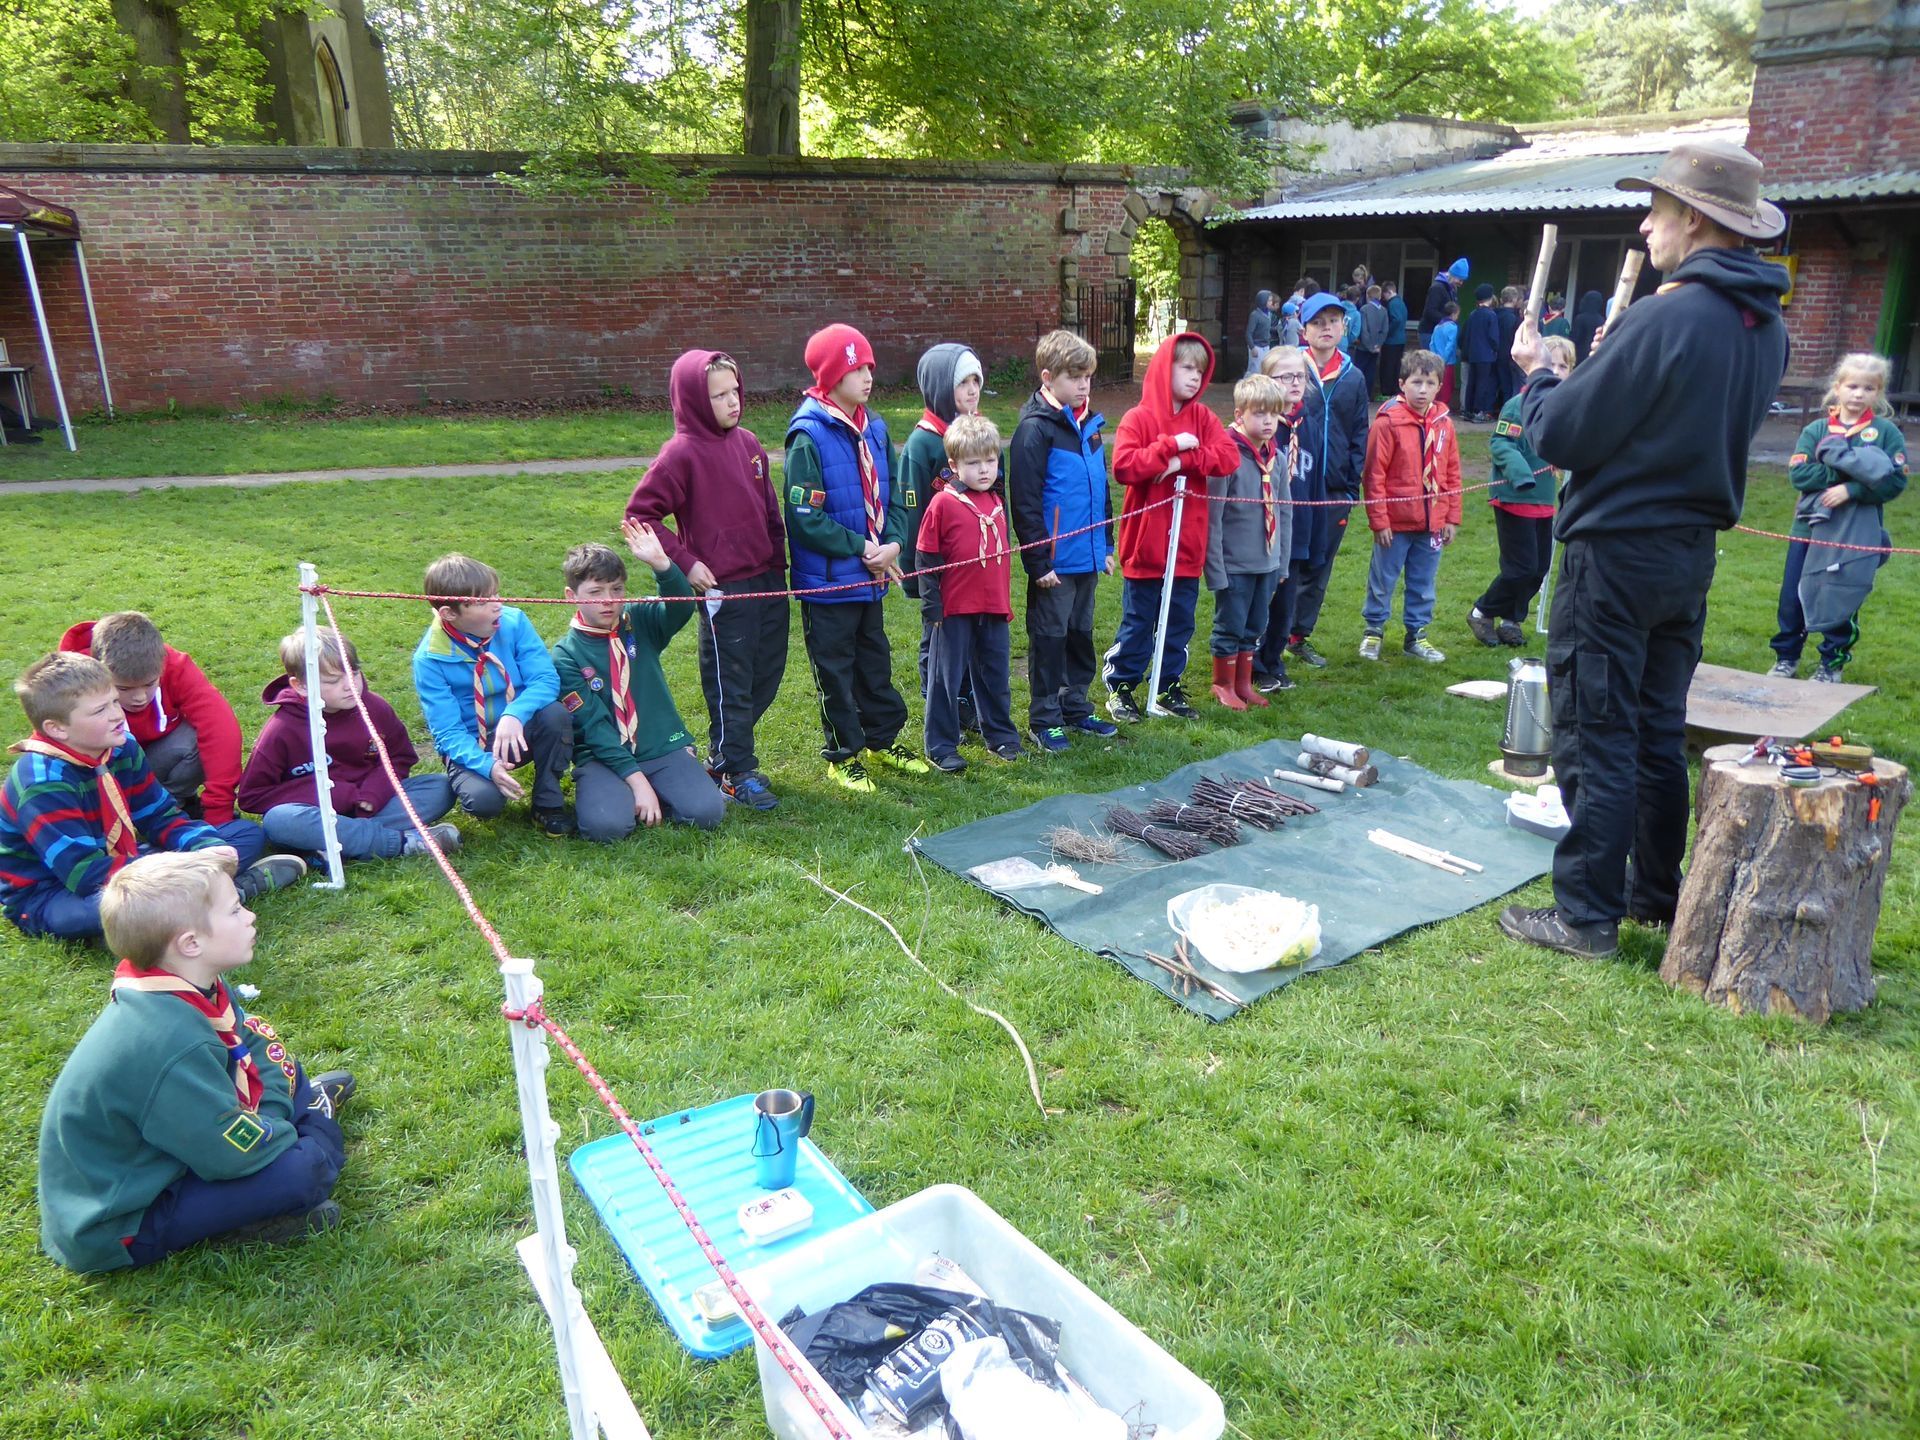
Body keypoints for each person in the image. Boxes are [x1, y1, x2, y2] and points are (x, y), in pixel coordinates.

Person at [1500, 138, 1790, 959]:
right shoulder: (1765, 326)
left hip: (1618, 551)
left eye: (1657, 209)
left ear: (1695, 220)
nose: (1645, 222)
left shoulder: (1668, 315)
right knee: (1659, 728)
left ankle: (1587, 913)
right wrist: (1603, 371)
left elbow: (1562, 434)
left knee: (1598, 727)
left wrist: (1542, 376)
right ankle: (1654, 895)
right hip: (1687, 554)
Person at [37, 851, 351, 1271]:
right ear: (190, 943)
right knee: (302, 1171)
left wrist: (273, 1101)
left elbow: (253, 1046)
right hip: (119, 1218)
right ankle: (316, 1118)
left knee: (287, 1083)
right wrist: (285, 1122)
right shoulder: (165, 1041)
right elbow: (235, 1154)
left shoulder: (189, 984)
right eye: (235, 910)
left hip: (174, 1150)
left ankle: (299, 1116)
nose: (251, 917)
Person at [2, 654, 298, 944]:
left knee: (242, 836)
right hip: (53, 893)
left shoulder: (120, 745)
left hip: (125, 860)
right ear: (57, 728)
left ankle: (190, 902)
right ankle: (233, 892)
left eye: (115, 701)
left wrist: (207, 847)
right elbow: (82, 874)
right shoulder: (43, 783)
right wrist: (184, 866)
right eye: (99, 710)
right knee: (111, 909)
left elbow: (159, 815)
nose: (117, 714)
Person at [622, 349, 786, 812]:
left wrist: (779, 568)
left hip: (767, 581)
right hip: (722, 591)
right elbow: (640, 515)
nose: (733, 401)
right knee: (730, 681)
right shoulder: (681, 454)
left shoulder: (750, 443)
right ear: (694, 399)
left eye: (736, 390)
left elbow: (769, 510)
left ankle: (724, 753)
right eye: (719, 395)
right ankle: (737, 770)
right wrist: (686, 562)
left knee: (766, 675)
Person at [785, 323, 927, 792]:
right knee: (835, 668)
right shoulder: (808, 433)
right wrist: (861, 547)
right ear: (831, 375)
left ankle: (882, 741)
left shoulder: (876, 427)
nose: (868, 375)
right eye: (857, 367)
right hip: (830, 582)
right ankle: (842, 753)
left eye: (869, 366)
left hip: (871, 576)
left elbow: (897, 497)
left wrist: (894, 543)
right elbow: (804, 515)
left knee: (874, 660)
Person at [551, 529, 725, 840]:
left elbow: (681, 606)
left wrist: (662, 565)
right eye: (596, 592)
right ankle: (634, 792)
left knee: (707, 813)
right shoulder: (566, 656)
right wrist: (637, 781)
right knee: (606, 828)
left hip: (660, 745)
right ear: (571, 596)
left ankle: (660, 788)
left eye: (617, 590)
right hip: (603, 756)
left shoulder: (639, 621)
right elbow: (593, 727)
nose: (609, 601)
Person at [1104, 332, 1240, 721]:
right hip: (1146, 548)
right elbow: (1125, 467)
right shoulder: (1138, 418)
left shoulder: (1204, 418)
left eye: (1200, 370)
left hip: (1186, 547)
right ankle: (1123, 686)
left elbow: (1228, 455)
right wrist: (1166, 446)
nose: (1195, 377)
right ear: (1166, 368)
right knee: (1139, 620)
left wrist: (1185, 460)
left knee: (1179, 621)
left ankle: (1166, 686)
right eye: (1186, 367)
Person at [239, 631, 459, 862]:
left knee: (440, 787)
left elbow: (400, 757)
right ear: (301, 686)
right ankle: (404, 843)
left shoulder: (375, 708)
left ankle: (336, 846)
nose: (349, 686)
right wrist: (334, 793)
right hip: (316, 816)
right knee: (279, 821)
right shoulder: (281, 729)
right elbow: (252, 796)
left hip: (373, 805)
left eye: (353, 673)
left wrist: (374, 791)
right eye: (334, 680)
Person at [1008, 329, 1118, 753]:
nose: (1084, 384)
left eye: (1088, 376)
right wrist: (1039, 563)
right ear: (1048, 377)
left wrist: (1105, 545)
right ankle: (1044, 717)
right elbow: (1026, 503)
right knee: (1049, 638)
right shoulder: (1036, 431)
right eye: (1075, 377)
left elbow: (1101, 491)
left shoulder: (1090, 424)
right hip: (1054, 564)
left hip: (1088, 556)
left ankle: (1076, 705)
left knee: (1080, 634)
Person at [59, 612, 254, 850]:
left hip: (151, 762)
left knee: (196, 739)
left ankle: (164, 810)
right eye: (124, 688)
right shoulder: (72, 685)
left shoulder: (174, 665)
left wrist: (218, 809)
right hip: (100, 773)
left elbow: (220, 727)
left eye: (150, 684)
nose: (140, 697)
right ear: (98, 669)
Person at [411, 553, 575, 836]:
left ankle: (547, 804)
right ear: (449, 613)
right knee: (484, 803)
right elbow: (448, 732)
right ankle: (478, 782)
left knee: (555, 714)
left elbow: (545, 679)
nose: (498, 605)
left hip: (519, 728)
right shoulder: (429, 659)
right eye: (484, 601)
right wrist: (487, 765)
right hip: (473, 743)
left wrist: (515, 713)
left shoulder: (513, 622)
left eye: (496, 594)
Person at [1253, 292, 1370, 684]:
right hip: (1285, 491)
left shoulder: (1353, 375)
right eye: (1318, 322)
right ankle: (1260, 645)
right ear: (1304, 328)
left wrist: (1350, 486)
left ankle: (1297, 636)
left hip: (1330, 487)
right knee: (1278, 571)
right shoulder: (1291, 369)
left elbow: (1358, 432)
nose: (1326, 328)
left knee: (1315, 567)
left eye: (1334, 321)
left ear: (1343, 327)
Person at [1770, 353, 1908, 681]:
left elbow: (1894, 481)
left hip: (1854, 531)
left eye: (1869, 388)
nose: (1859, 394)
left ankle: (1831, 663)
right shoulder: (1816, 430)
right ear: (1838, 388)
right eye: (1853, 386)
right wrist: (1848, 473)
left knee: (1841, 591)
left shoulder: (1886, 433)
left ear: (1879, 393)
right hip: (1809, 527)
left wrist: (1853, 492)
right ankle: (1786, 657)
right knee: (1793, 596)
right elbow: (1800, 476)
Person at [917, 415, 1024, 770]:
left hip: (992, 606)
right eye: (973, 463)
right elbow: (927, 557)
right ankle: (941, 745)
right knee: (946, 679)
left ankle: (1001, 736)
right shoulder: (943, 504)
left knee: (995, 675)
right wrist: (933, 608)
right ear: (954, 465)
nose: (983, 470)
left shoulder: (996, 501)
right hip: (954, 609)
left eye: (990, 461)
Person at [895, 342, 985, 731]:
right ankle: (937, 694)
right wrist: (917, 574)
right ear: (938, 386)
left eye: (976, 381)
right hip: (938, 563)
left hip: (971, 561)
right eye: (961, 382)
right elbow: (912, 510)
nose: (971, 390)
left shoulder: (975, 436)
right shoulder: (924, 443)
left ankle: (965, 694)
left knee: (969, 633)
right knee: (937, 632)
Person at [1469, 336, 1576, 647]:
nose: (1556, 371)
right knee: (1520, 567)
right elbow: (1501, 443)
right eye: (1550, 363)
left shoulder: (1564, 409)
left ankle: (1512, 620)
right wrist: (1522, 474)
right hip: (1515, 497)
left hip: (1543, 501)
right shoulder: (1519, 405)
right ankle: (1481, 611)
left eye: (1563, 365)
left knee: (1539, 569)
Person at [1357, 350, 1460, 663]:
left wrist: (1451, 516)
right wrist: (1380, 521)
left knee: (1423, 583)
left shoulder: (1444, 424)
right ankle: (1373, 630)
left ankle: (1417, 634)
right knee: (1383, 579)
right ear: (1402, 383)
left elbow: (1453, 472)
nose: (1423, 390)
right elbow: (1373, 474)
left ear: (1439, 386)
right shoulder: (1388, 422)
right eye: (1416, 382)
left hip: (1433, 521)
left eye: (1430, 383)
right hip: (1396, 523)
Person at [1206, 370, 1296, 709]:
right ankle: (1223, 684)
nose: (1269, 421)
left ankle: (1243, 683)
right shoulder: (1226, 458)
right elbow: (1212, 520)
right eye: (1260, 413)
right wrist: (1215, 569)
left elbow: (1284, 514)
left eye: (1274, 414)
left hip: (1268, 562)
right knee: (1230, 624)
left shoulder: (1278, 459)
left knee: (1256, 623)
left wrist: (1282, 562)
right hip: (1234, 564)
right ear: (1239, 415)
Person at [1463, 284, 1501, 421]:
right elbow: (1493, 337)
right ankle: (1479, 412)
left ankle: (1468, 410)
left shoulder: (1473, 314)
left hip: (1473, 354)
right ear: (1490, 298)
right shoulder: (1491, 315)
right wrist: (1496, 349)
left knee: (1472, 382)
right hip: (1486, 355)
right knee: (1483, 383)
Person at [1421, 258, 1470, 338]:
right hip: (1430, 333)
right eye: (1460, 280)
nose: (1461, 283)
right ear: (1453, 275)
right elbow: (1430, 311)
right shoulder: (1437, 288)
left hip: (1440, 332)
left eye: (1463, 280)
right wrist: (1448, 321)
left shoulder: (1451, 289)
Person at [1355, 284, 1388, 396]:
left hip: (1364, 347)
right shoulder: (1384, 310)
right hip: (1377, 348)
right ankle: (1369, 396)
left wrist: (1369, 346)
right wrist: (1378, 345)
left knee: (1360, 372)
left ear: (1368, 296)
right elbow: (1385, 330)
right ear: (1379, 297)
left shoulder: (1364, 309)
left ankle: (1359, 396)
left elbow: (1364, 330)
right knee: (1371, 372)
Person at [1429, 301, 1462, 412]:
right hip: (1447, 362)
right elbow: (1450, 345)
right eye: (1457, 314)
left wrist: (1434, 357)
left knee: (1437, 384)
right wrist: (1444, 359)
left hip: (1435, 360)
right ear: (1453, 314)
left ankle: (1435, 406)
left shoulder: (1437, 326)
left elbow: (1432, 343)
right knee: (1448, 386)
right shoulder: (1453, 327)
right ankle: (1443, 408)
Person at [1495, 286, 1524, 410]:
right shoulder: (1513, 318)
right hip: (1508, 355)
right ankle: (1507, 411)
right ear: (1514, 299)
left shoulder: (1494, 314)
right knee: (1508, 386)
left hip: (1494, 353)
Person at [1380, 281, 1408, 396]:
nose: (1384, 298)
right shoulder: (1401, 302)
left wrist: (1386, 332)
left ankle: (1387, 391)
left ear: (1389, 292)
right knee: (1396, 366)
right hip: (1401, 339)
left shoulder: (1393, 304)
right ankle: (1395, 390)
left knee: (1388, 366)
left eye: (1385, 294)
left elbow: (1396, 320)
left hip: (1391, 340)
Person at [1245, 289, 1276, 376]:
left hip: (1266, 346)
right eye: (1269, 300)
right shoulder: (1255, 315)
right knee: (1254, 370)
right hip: (1257, 346)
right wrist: (1252, 347)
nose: (1271, 302)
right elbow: (1248, 333)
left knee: (1265, 369)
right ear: (1263, 301)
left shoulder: (1269, 314)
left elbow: (1267, 328)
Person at [1570, 290, 1605, 363]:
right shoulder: (1602, 320)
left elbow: (1574, 338)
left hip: (1579, 355)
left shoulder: (1580, 318)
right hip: (1595, 354)